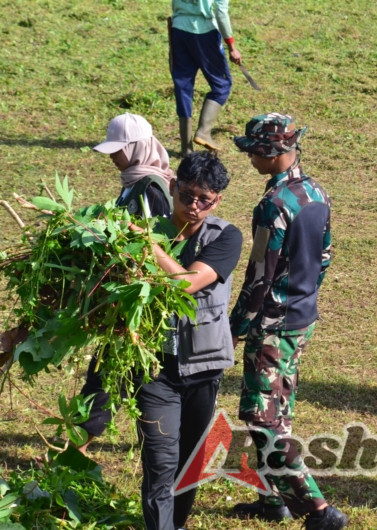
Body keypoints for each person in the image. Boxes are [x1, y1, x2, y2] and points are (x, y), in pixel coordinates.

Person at [228, 113, 347, 529]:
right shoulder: (317, 192)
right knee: (279, 411)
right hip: (302, 316)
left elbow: (259, 277)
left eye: (252, 152)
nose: (249, 160)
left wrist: (234, 329)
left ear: (270, 153)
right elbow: (326, 256)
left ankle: (319, 510)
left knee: (262, 419)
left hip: (273, 327)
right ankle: (270, 500)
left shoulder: (272, 206)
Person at [135, 151, 243, 529]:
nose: (194, 206)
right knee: (161, 463)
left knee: (189, 461)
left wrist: (150, 250)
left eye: (205, 200)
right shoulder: (142, 232)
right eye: (187, 196)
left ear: (218, 201)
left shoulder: (226, 237)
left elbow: (185, 283)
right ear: (172, 186)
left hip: (203, 368)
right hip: (154, 370)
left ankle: (177, 524)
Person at [77, 112, 175, 454]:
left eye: (118, 150)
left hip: (141, 300)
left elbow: (156, 244)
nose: (113, 157)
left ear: (137, 147)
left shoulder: (152, 189)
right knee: (117, 371)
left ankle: (79, 443)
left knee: (108, 371)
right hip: (126, 295)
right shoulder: (134, 183)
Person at [170, 0, 243, 157]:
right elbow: (221, 13)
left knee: (183, 85)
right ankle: (203, 132)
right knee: (222, 84)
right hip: (204, 32)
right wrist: (231, 46)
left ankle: (186, 148)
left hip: (178, 29)